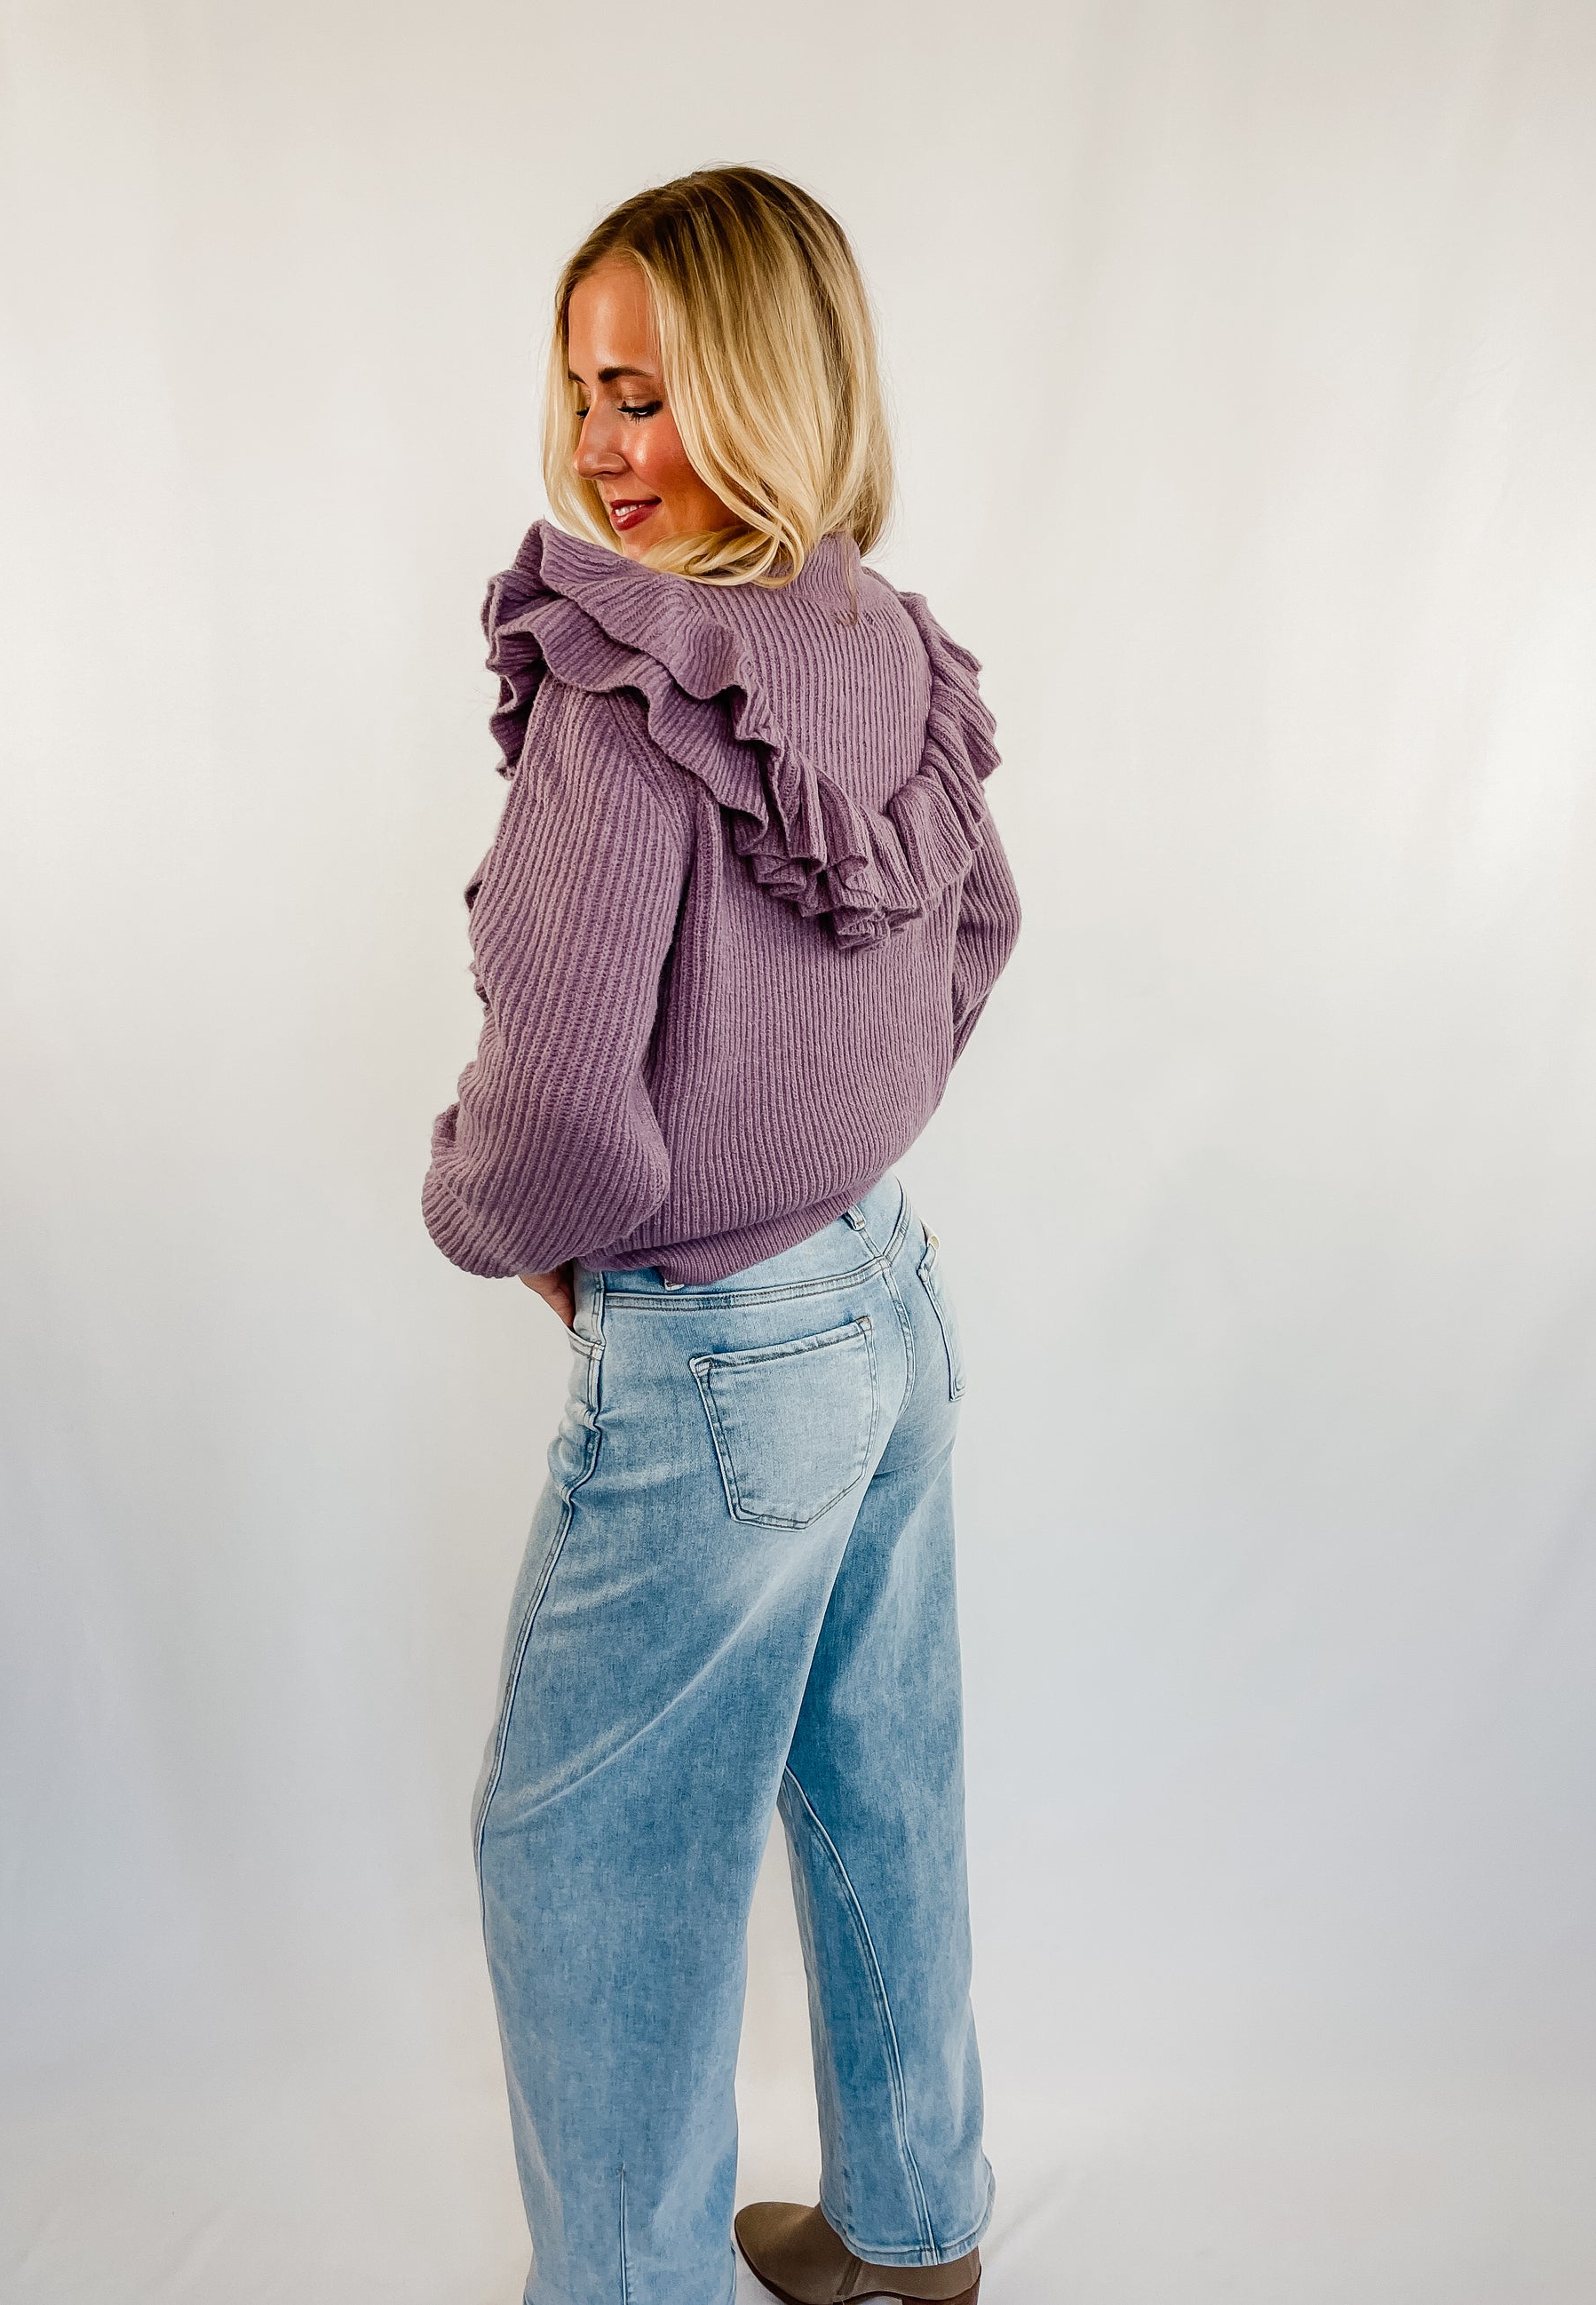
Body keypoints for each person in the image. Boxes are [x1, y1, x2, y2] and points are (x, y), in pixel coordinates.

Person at [422, 165, 1020, 2305]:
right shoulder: (882, 643)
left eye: (656, 394)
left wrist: (481, 1206)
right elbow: (979, 930)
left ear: (776, 393)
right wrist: (833, 1129)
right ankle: (913, 2223)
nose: (607, 445)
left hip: (717, 1359)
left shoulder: (622, 698)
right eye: (589, 389)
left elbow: (561, 1107)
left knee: (585, 1848)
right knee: (878, 1768)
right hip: (886, 1298)